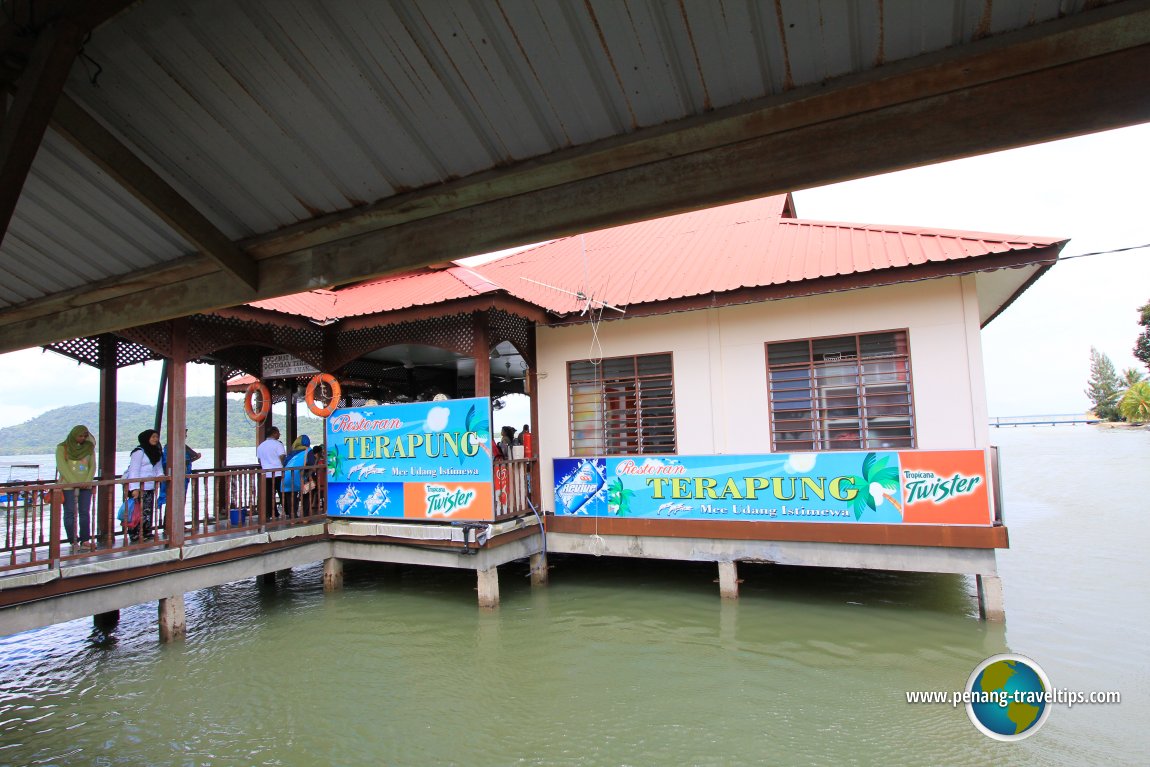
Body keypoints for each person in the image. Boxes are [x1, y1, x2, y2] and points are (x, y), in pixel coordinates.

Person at [55, 425, 96, 552]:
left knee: (84, 513)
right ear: (74, 435)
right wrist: (73, 482)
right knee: (69, 513)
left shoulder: (89, 448)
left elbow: (92, 466)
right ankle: (73, 540)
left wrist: (87, 481)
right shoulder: (62, 448)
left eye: (85, 436)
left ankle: (85, 540)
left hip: (86, 486)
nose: (82, 439)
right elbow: (62, 466)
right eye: (80, 436)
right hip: (68, 486)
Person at [124, 429, 164, 541]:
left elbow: (158, 468)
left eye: (156, 437)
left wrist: (160, 475)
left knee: (147, 510)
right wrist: (134, 488)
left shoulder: (156, 452)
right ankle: (135, 533)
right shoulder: (139, 452)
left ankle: (146, 531)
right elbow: (134, 470)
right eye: (153, 437)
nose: (155, 439)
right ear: (146, 438)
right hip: (139, 487)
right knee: (136, 510)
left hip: (149, 486)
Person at [282, 444, 322, 519]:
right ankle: (305, 516)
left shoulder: (293, 453)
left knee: (291, 496)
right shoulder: (308, 452)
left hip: (288, 476)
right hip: (300, 477)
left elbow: (284, 463)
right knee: (307, 494)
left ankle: (292, 516)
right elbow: (312, 469)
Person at [257, 426, 287, 519]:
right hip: (278, 473)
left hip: (266, 474)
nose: (279, 434)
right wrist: (284, 466)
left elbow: (259, 460)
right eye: (278, 433)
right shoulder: (278, 444)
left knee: (269, 495)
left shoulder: (261, 446)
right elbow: (282, 457)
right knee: (283, 493)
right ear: (274, 433)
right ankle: (289, 511)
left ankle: (270, 513)